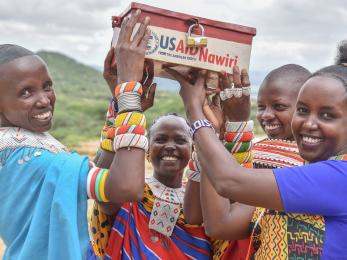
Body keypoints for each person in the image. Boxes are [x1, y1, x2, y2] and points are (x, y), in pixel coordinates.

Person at [0, 9, 152, 259]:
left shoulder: (16, 149)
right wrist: (128, 93)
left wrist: (118, 107)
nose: (44, 100)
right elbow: (125, 187)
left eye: (47, 86)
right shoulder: (37, 160)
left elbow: (105, 197)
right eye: (25, 92)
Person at [166, 54, 347, 258]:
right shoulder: (305, 175)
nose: (309, 123)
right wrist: (214, 134)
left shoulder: (339, 177)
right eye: (303, 110)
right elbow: (220, 225)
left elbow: (228, 180)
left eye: (327, 115)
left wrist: (195, 113)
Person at [88, 114, 212, 260]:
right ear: (147, 150)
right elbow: (104, 194)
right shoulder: (129, 191)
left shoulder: (201, 203)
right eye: (160, 140)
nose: (170, 146)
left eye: (180, 140)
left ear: (192, 150)